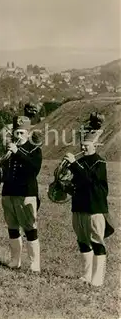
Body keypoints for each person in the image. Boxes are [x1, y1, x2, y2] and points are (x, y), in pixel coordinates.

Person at [63, 113, 114, 286]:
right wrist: (63, 184)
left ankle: (97, 278)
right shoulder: (81, 162)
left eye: (87, 145)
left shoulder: (99, 162)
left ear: (95, 145)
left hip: (95, 209)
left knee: (97, 242)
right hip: (78, 207)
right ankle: (86, 275)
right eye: (82, 145)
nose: (83, 149)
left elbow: (88, 180)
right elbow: (77, 183)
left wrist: (74, 165)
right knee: (83, 241)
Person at [0, 114, 43, 272]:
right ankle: (15, 260)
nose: (18, 136)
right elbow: (5, 169)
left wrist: (17, 151)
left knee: (30, 228)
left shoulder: (34, 149)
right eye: (16, 133)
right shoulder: (9, 149)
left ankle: (34, 263)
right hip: (9, 192)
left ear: (28, 133)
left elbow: (34, 169)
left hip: (26, 193)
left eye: (21, 133)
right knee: (12, 227)